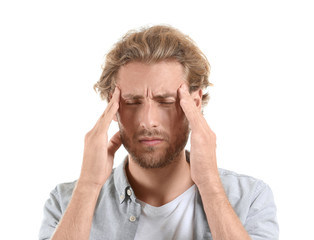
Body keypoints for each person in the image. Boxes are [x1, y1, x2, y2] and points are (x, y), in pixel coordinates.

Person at [39, 25, 279, 240]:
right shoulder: (65, 202)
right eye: (132, 102)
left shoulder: (250, 199)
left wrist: (209, 185)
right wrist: (89, 185)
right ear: (112, 109)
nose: (148, 121)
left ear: (194, 104)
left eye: (165, 101)